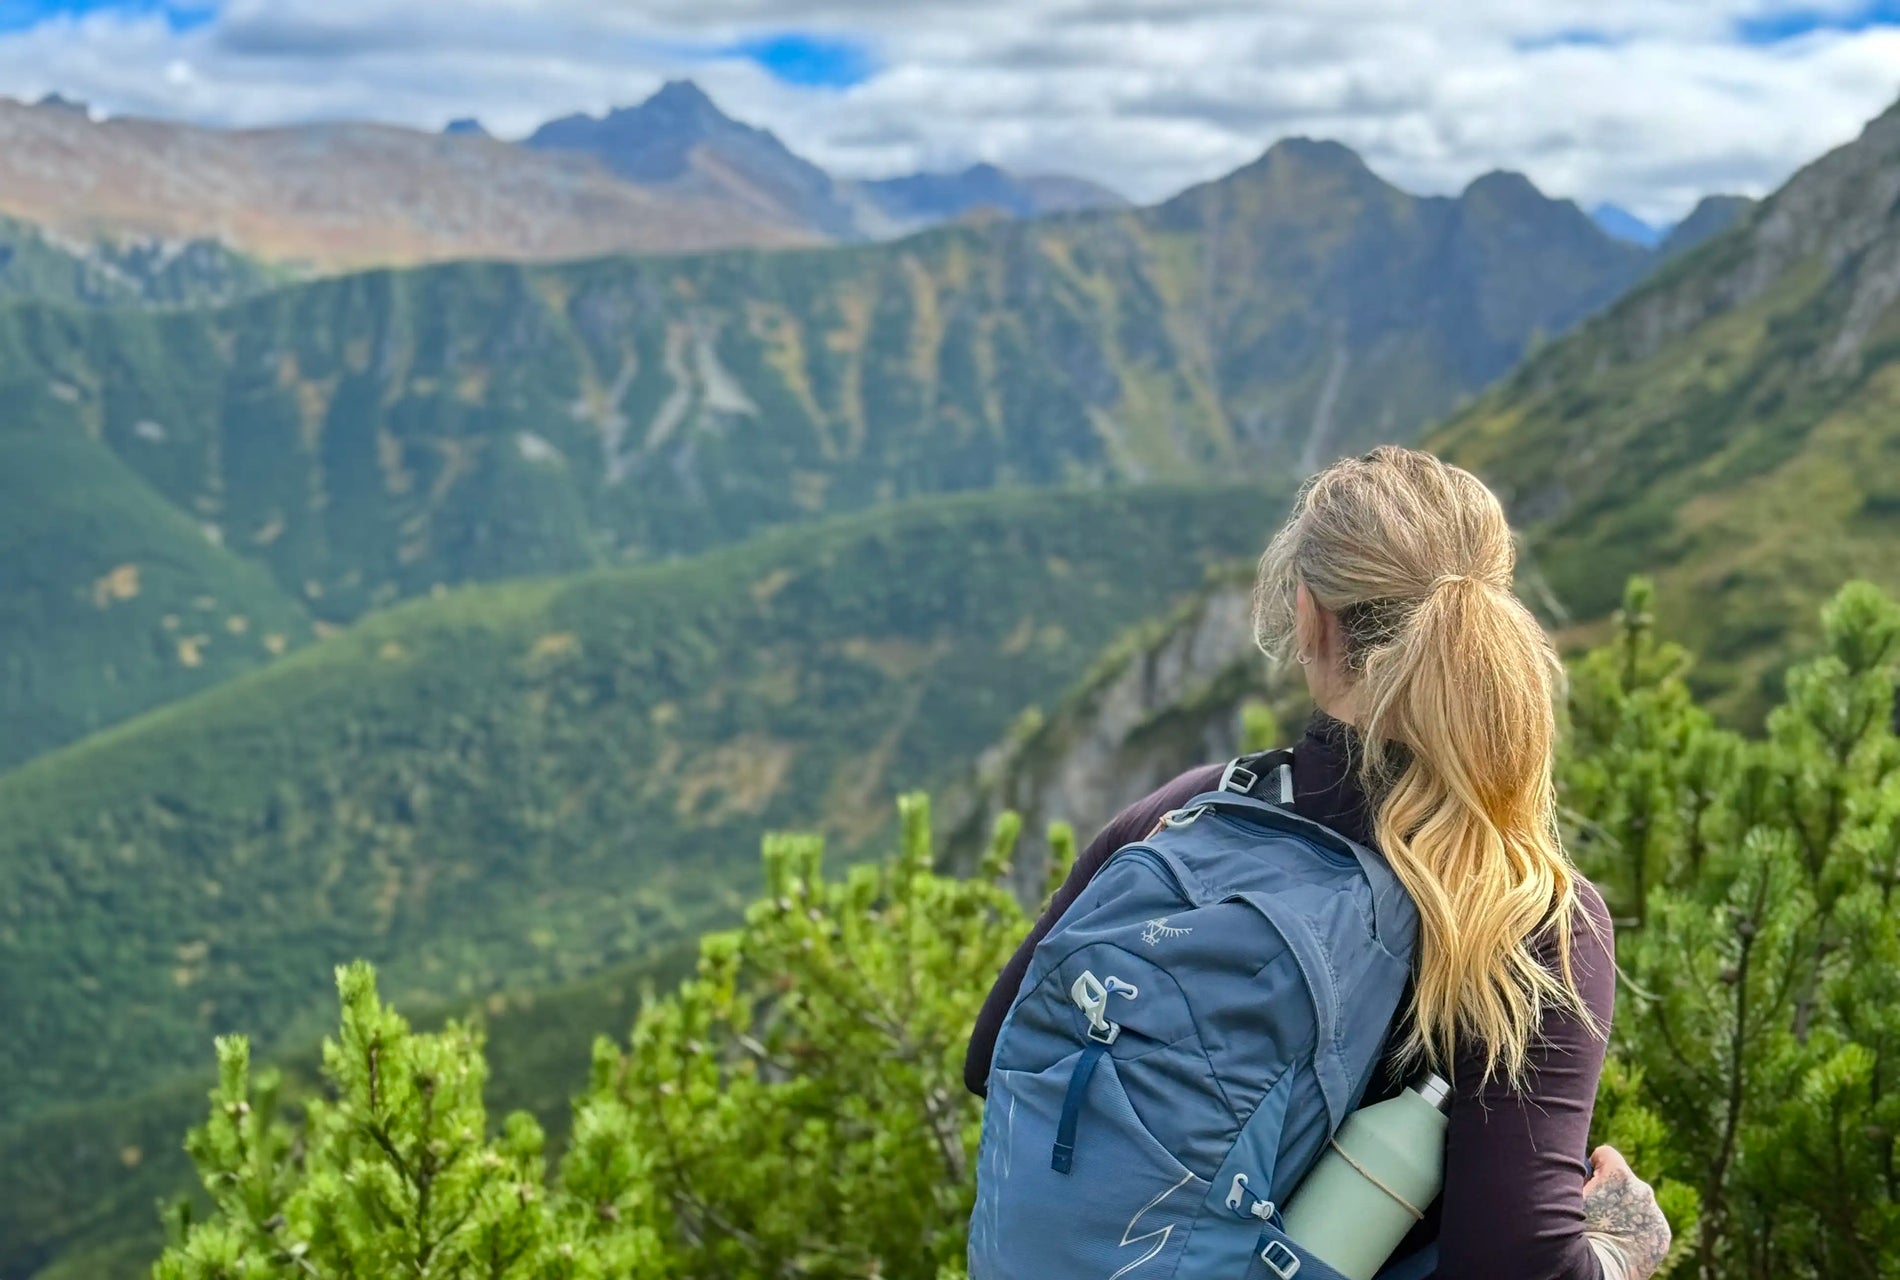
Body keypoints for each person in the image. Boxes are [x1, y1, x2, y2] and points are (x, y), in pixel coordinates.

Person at [964, 447, 1672, 1280]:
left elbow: (994, 1057)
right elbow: (1516, 1264)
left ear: (1308, 618)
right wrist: (1622, 1247)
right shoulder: (1520, 912)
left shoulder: (1183, 813)